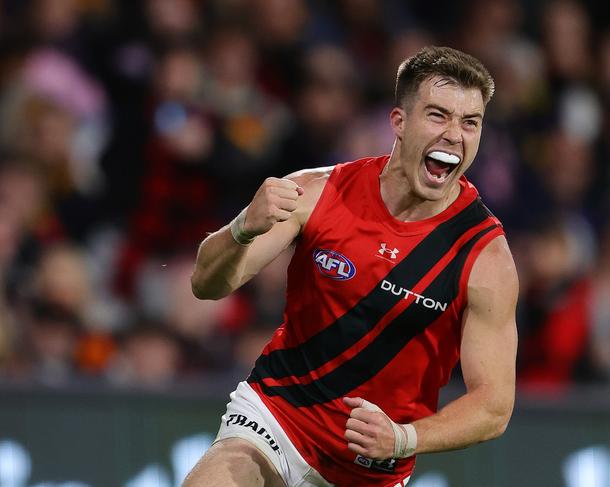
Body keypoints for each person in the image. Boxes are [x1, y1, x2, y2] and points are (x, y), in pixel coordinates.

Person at [185, 45, 518, 487]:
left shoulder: (484, 256)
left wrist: (404, 438)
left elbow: (494, 406)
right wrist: (242, 227)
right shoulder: (318, 191)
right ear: (399, 122)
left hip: (371, 471)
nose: (455, 134)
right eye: (438, 115)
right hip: (276, 420)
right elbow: (206, 285)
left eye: (470, 122)